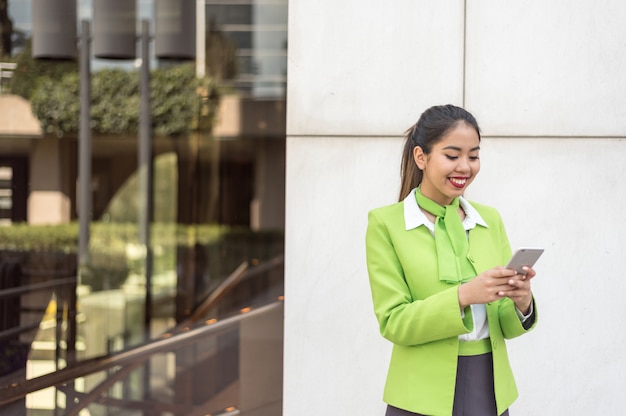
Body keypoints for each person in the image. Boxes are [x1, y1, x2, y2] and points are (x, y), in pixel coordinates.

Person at [365, 104, 537, 416]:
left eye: (473, 156)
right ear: (421, 157)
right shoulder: (386, 224)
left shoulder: (489, 220)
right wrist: (463, 296)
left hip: (490, 389)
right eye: (452, 155)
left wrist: (521, 302)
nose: (465, 167)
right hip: (418, 395)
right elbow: (393, 322)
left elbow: (506, 326)